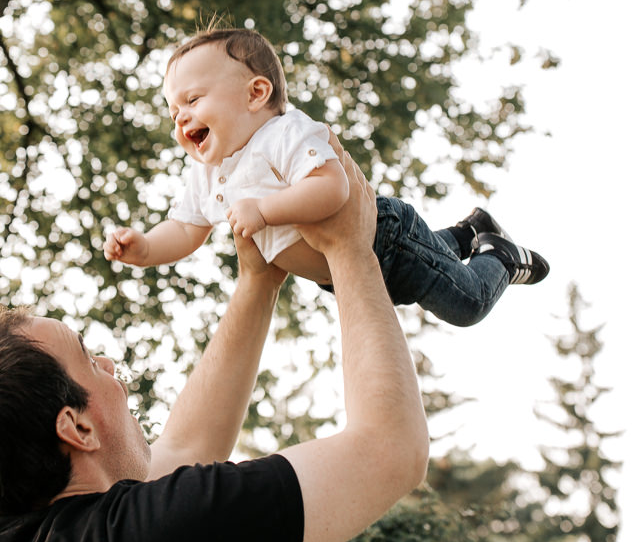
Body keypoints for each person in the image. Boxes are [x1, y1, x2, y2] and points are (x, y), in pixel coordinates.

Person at [0, 141, 430, 542]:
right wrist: (350, 252)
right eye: (89, 360)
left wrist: (258, 280)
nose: (110, 366)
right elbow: (390, 449)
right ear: (77, 428)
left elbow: (181, 452)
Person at [103, 27, 549, 327]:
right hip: (341, 274)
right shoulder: (209, 172)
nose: (181, 118)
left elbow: (332, 188)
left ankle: (500, 255)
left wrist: (264, 208)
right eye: (173, 110)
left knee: (465, 303)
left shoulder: (282, 134)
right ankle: (467, 231)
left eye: (193, 100)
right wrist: (144, 248)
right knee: (425, 280)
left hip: (382, 238)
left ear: (256, 93)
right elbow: (185, 228)